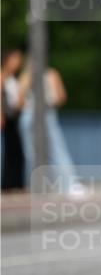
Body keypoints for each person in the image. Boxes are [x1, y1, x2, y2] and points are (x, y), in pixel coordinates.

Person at [18, 62, 84, 196]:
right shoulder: (28, 76)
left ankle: (66, 184)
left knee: (53, 150)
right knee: (34, 152)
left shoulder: (49, 74)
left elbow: (61, 97)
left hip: (43, 113)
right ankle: (41, 185)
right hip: (33, 113)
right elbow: (19, 101)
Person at [1, 47, 26, 191]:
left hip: (16, 117)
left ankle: (16, 183)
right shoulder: (2, 76)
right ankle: (8, 184)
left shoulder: (14, 78)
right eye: (15, 59)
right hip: (8, 118)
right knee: (11, 151)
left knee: (17, 151)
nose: (18, 62)